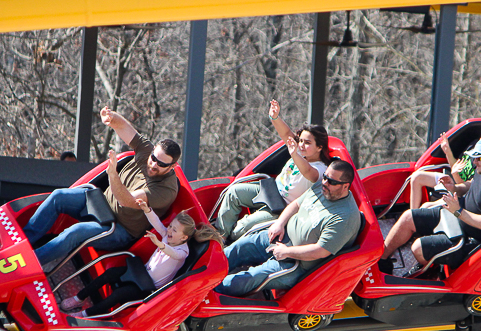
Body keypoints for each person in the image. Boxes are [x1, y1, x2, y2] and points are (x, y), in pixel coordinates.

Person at [23, 107, 181, 265]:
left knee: (74, 233)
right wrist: (111, 118)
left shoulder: (166, 190)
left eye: (161, 164)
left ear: (172, 166)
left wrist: (112, 174)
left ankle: (29, 262)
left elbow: (125, 201)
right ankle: (23, 243)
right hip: (101, 204)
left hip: (120, 229)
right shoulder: (147, 151)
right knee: (59, 196)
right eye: (153, 158)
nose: (153, 164)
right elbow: (125, 128)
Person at [379, 135, 481, 276]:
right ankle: (381, 259)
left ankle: (432, 271)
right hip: (456, 215)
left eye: (478, 158)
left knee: (418, 248)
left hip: (470, 238)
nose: (474, 162)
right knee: (408, 217)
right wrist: (454, 188)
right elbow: (472, 185)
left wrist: (458, 211)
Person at [215, 160, 360, 297]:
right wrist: (280, 223)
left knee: (249, 278)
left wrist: (287, 252)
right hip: (282, 236)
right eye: (325, 177)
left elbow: (320, 251)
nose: (325, 183)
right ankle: (204, 270)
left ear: (345, 186)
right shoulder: (322, 188)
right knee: (239, 247)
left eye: (332, 181)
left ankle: (208, 292)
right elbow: (297, 204)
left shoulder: (345, 217)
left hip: (296, 263)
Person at [60, 198, 223, 316]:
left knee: (118, 295)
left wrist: (159, 244)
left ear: (184, 238)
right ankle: (78, 298)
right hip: (140, 272)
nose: (170, 231)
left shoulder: (183, 252)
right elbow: (157, 224)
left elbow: (172, 253)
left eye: (175, 230)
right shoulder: (167, 235)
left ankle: (85, 314)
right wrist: (147, 210)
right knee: (110, 273)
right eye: (171, 227)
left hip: (148, 287)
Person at [214, 100, 332, 242]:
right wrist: (275, 117)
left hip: (281, 208)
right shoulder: (300, 151)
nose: (301, 145)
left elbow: (308, 172)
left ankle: (229, 243)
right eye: (300, 141)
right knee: (234, 192)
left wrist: (294, 154)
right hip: (270, 191)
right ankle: (219, 237)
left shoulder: (321, 168)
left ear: (319, 147)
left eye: (307, 143)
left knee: (243, 227)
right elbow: (287, 133)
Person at [410, 124, 481, 209]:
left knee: (425, 207)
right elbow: (457, 165)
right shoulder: (475, 144)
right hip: (452, 178)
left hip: (459, 189)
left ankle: (414, 223)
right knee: (416, 177)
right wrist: (447, 151)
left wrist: (455, 177)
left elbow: (467, 187)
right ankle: (412, 215)